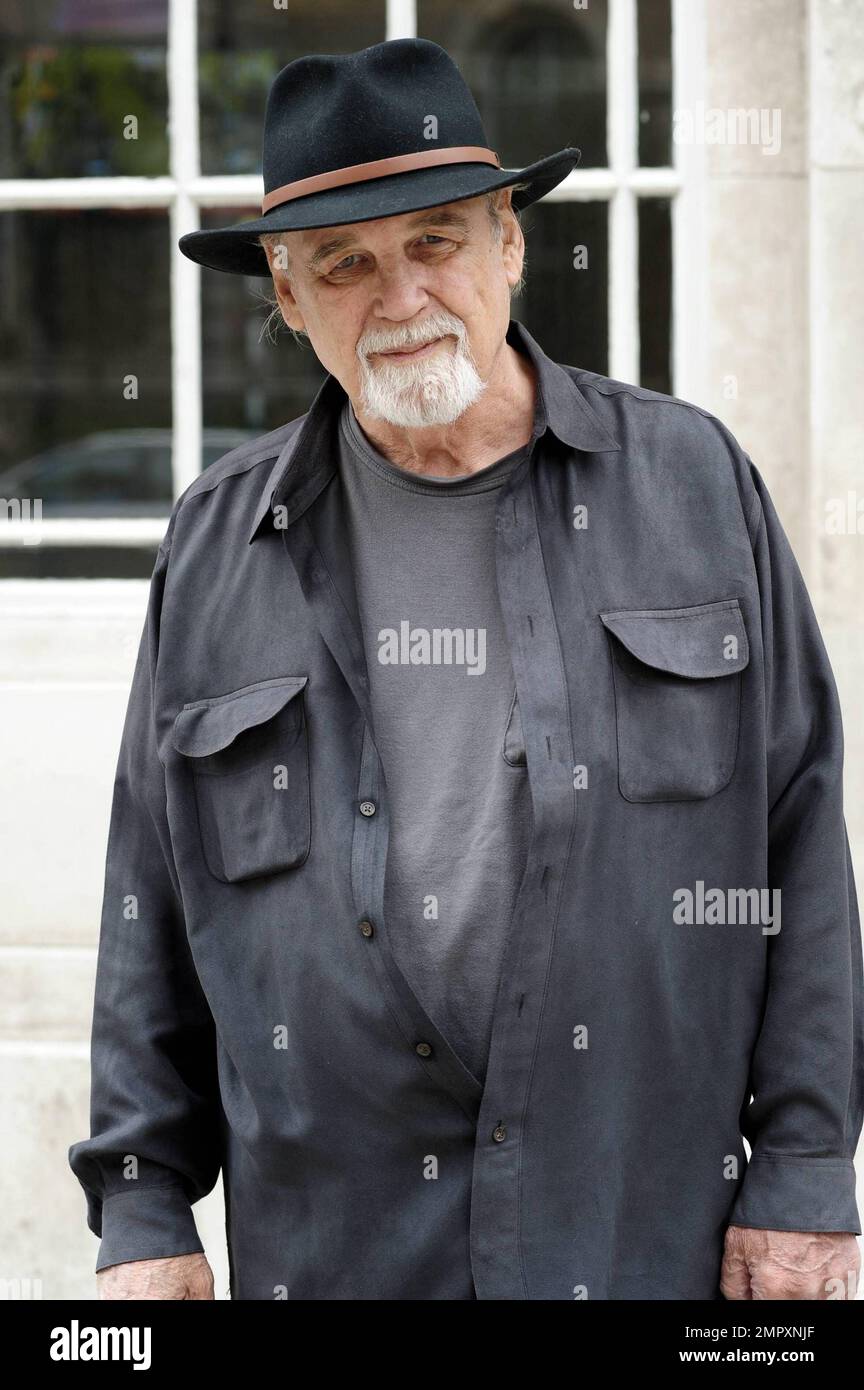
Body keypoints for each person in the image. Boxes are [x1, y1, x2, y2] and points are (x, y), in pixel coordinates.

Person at [69, 38, 863, 1301]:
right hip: (340, 1251)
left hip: (642, 1232)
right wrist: (143, 1205)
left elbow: (802, 841)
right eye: (345, 264)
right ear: (285, 295)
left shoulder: (692, 488)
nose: (398, 298)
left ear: (510, 243)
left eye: (434, 240)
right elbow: (148, 899)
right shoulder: (218, 549)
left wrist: (809, 1170)